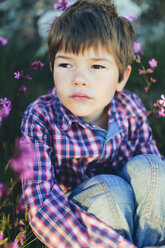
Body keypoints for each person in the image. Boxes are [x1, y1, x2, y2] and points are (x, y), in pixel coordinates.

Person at [21, 0, 165, 247]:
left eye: (96, 66)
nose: (79, 79)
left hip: (133, 215)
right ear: (52, 67)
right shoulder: (40, 117)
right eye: (66, 64)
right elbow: (42, 202)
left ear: (122, 77)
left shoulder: (131, 108)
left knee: (152, 167)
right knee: (110, 188)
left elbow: (154, 190)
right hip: (80, 225)